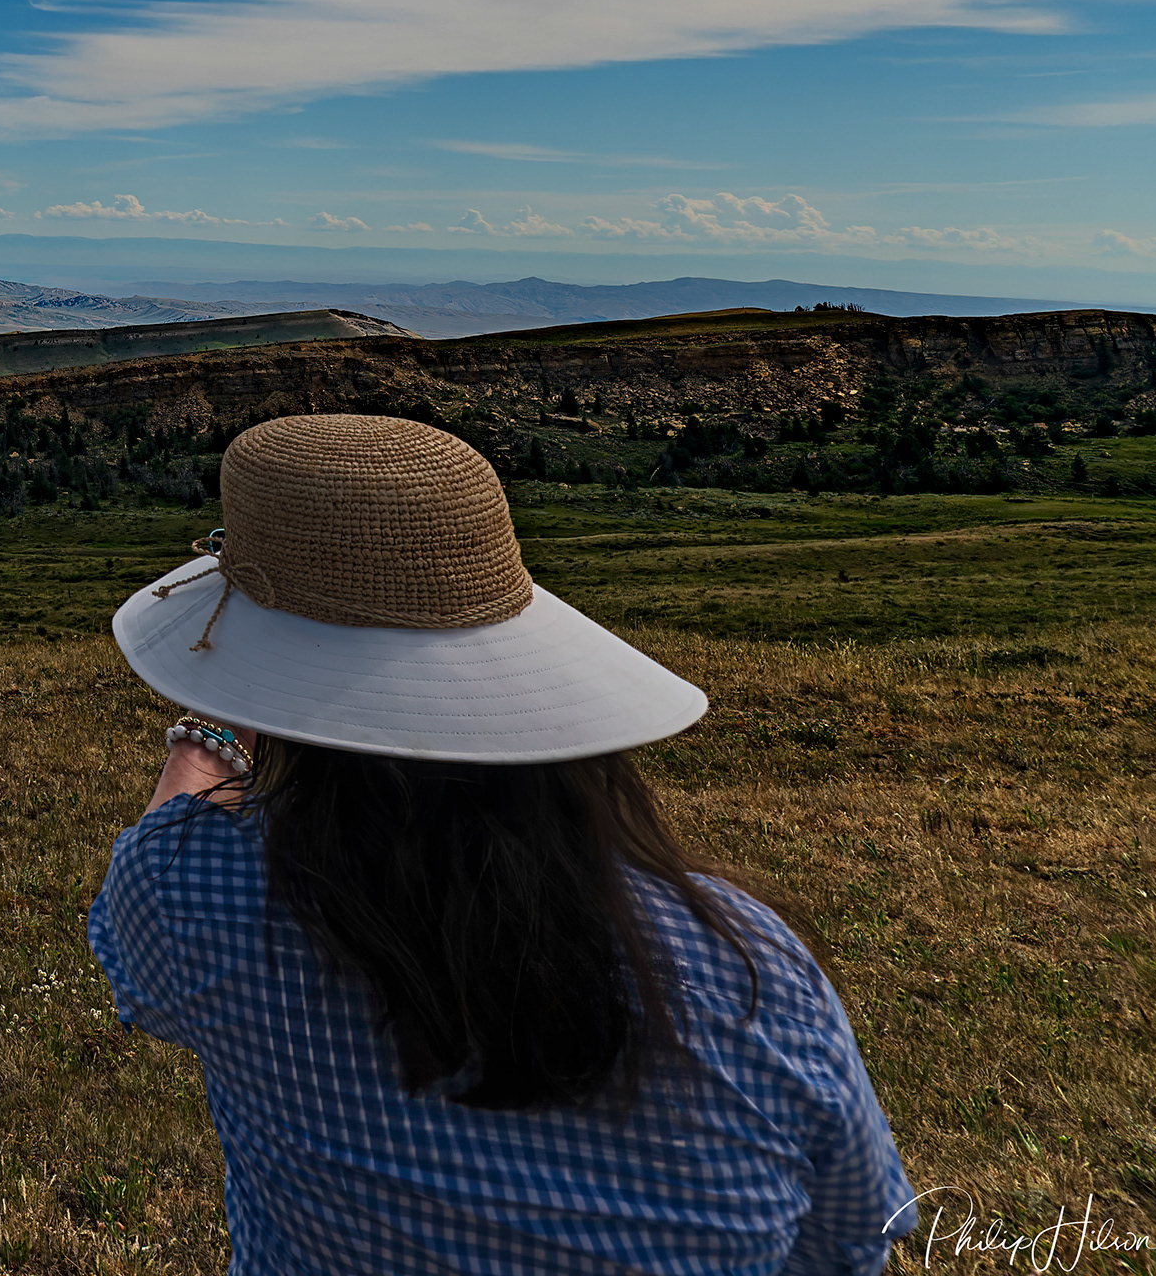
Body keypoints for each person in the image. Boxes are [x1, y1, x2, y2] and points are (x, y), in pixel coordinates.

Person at [85, 412, 915, 1275]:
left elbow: (146, 917)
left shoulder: (196, 895)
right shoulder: (748, 968)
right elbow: (852, 1234)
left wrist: (215, 726)